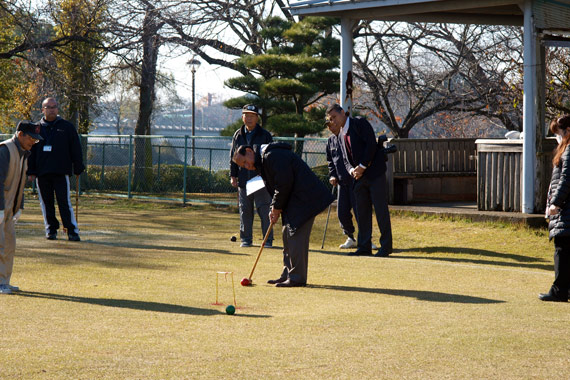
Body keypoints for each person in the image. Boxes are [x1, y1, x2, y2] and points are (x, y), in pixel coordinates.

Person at [232, 142, 335, 287]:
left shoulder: (273, 156)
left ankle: (297, 278)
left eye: (245, 162)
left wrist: (276, 207)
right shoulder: (263, 161)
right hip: (294, 200)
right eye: (243, 166)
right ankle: (287, 273)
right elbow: (276, 187)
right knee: (287, 234)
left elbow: (284, 184)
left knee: (295, 236)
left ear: (249, 151)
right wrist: (275, 207)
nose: (247, 167)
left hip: (306, 198)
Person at [326, 103, 393, 257]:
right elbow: (344, 157)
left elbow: (371, 146)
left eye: (334, 117)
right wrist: (352, 170)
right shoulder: (340, 134)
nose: (333, 121)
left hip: (375, 174)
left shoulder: (359, 123)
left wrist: (362, 166)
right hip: (358, 177)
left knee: (381, 210)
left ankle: (386, 246)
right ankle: (363, 246)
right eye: (330, 119)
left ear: (343, 113)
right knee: (362, 212)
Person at [27, 97, 85, 241]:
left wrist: (78, 166)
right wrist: (31, 171)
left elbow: (76, 149)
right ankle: (51, 230)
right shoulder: (36, 129)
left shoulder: (67, 127)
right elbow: (31, 152)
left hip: (61, 172)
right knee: (46, 203)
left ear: (57, 109)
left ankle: (72, 231)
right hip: (42, 173)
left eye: (54, 106)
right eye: (48, 107)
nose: (51, 109)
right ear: (43, 110)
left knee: (64, 202)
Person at [0, 121, 43, 294]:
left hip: (10, 208)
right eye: (31, 138)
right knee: (1, 244)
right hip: (1, 206)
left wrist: (20, 207)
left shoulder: (24, 153)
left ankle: (4, 280)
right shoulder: (4, 150)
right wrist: (0, 208)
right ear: (20, 135)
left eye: (35, 139)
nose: (33, 142)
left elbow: (20, 182)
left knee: (9, 244)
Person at [325, 118, 377, 250]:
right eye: (328, 127)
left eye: (332, 125)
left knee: (360, 211)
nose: (331, 128)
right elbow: (331, 162)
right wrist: (332, 175)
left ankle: (366, 239)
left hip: (355, 179)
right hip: (342, 182)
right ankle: (351, 237)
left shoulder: (346, 136)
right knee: (342, 213)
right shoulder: (330, 141)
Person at [229, 104, 274, 248]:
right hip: (243, 179)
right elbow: (233, 157)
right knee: (245, 210)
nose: (249, 118)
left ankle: (267, 240)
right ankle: (246, 239)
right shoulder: (238, 134)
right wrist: (233, 176)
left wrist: (267, 176)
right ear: (242, 117)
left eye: (252, 115)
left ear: (257, 118)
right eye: (246, 115)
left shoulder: (265, 134)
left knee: (264, 209)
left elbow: (270, 157)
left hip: (260, 179)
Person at [541, 115, 570, 302]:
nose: (557, 138)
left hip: (566, 210)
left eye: (558, 133)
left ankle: (559, 290)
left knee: (562, 249)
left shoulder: (568, 151)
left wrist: (555, 203)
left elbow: (565, 180)